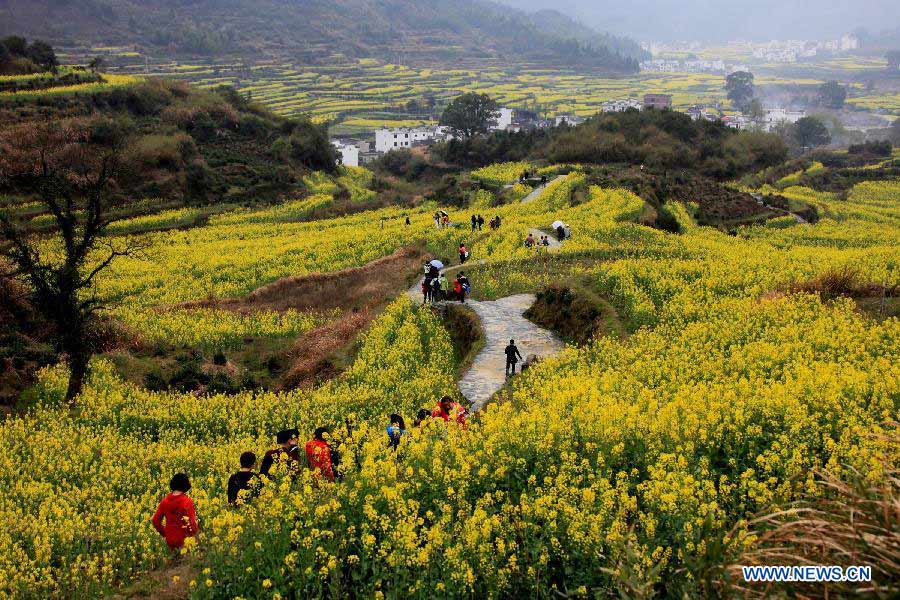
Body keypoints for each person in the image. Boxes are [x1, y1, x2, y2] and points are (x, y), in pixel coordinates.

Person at [152, 473, 199, 553]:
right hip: (185, 540)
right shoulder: (187, 501)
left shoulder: (165, 501)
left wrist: (165, 533)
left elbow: (155, 520)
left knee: (174, 561)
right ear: (185, 485)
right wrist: (195, 537)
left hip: (170, 539)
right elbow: (192, 524)